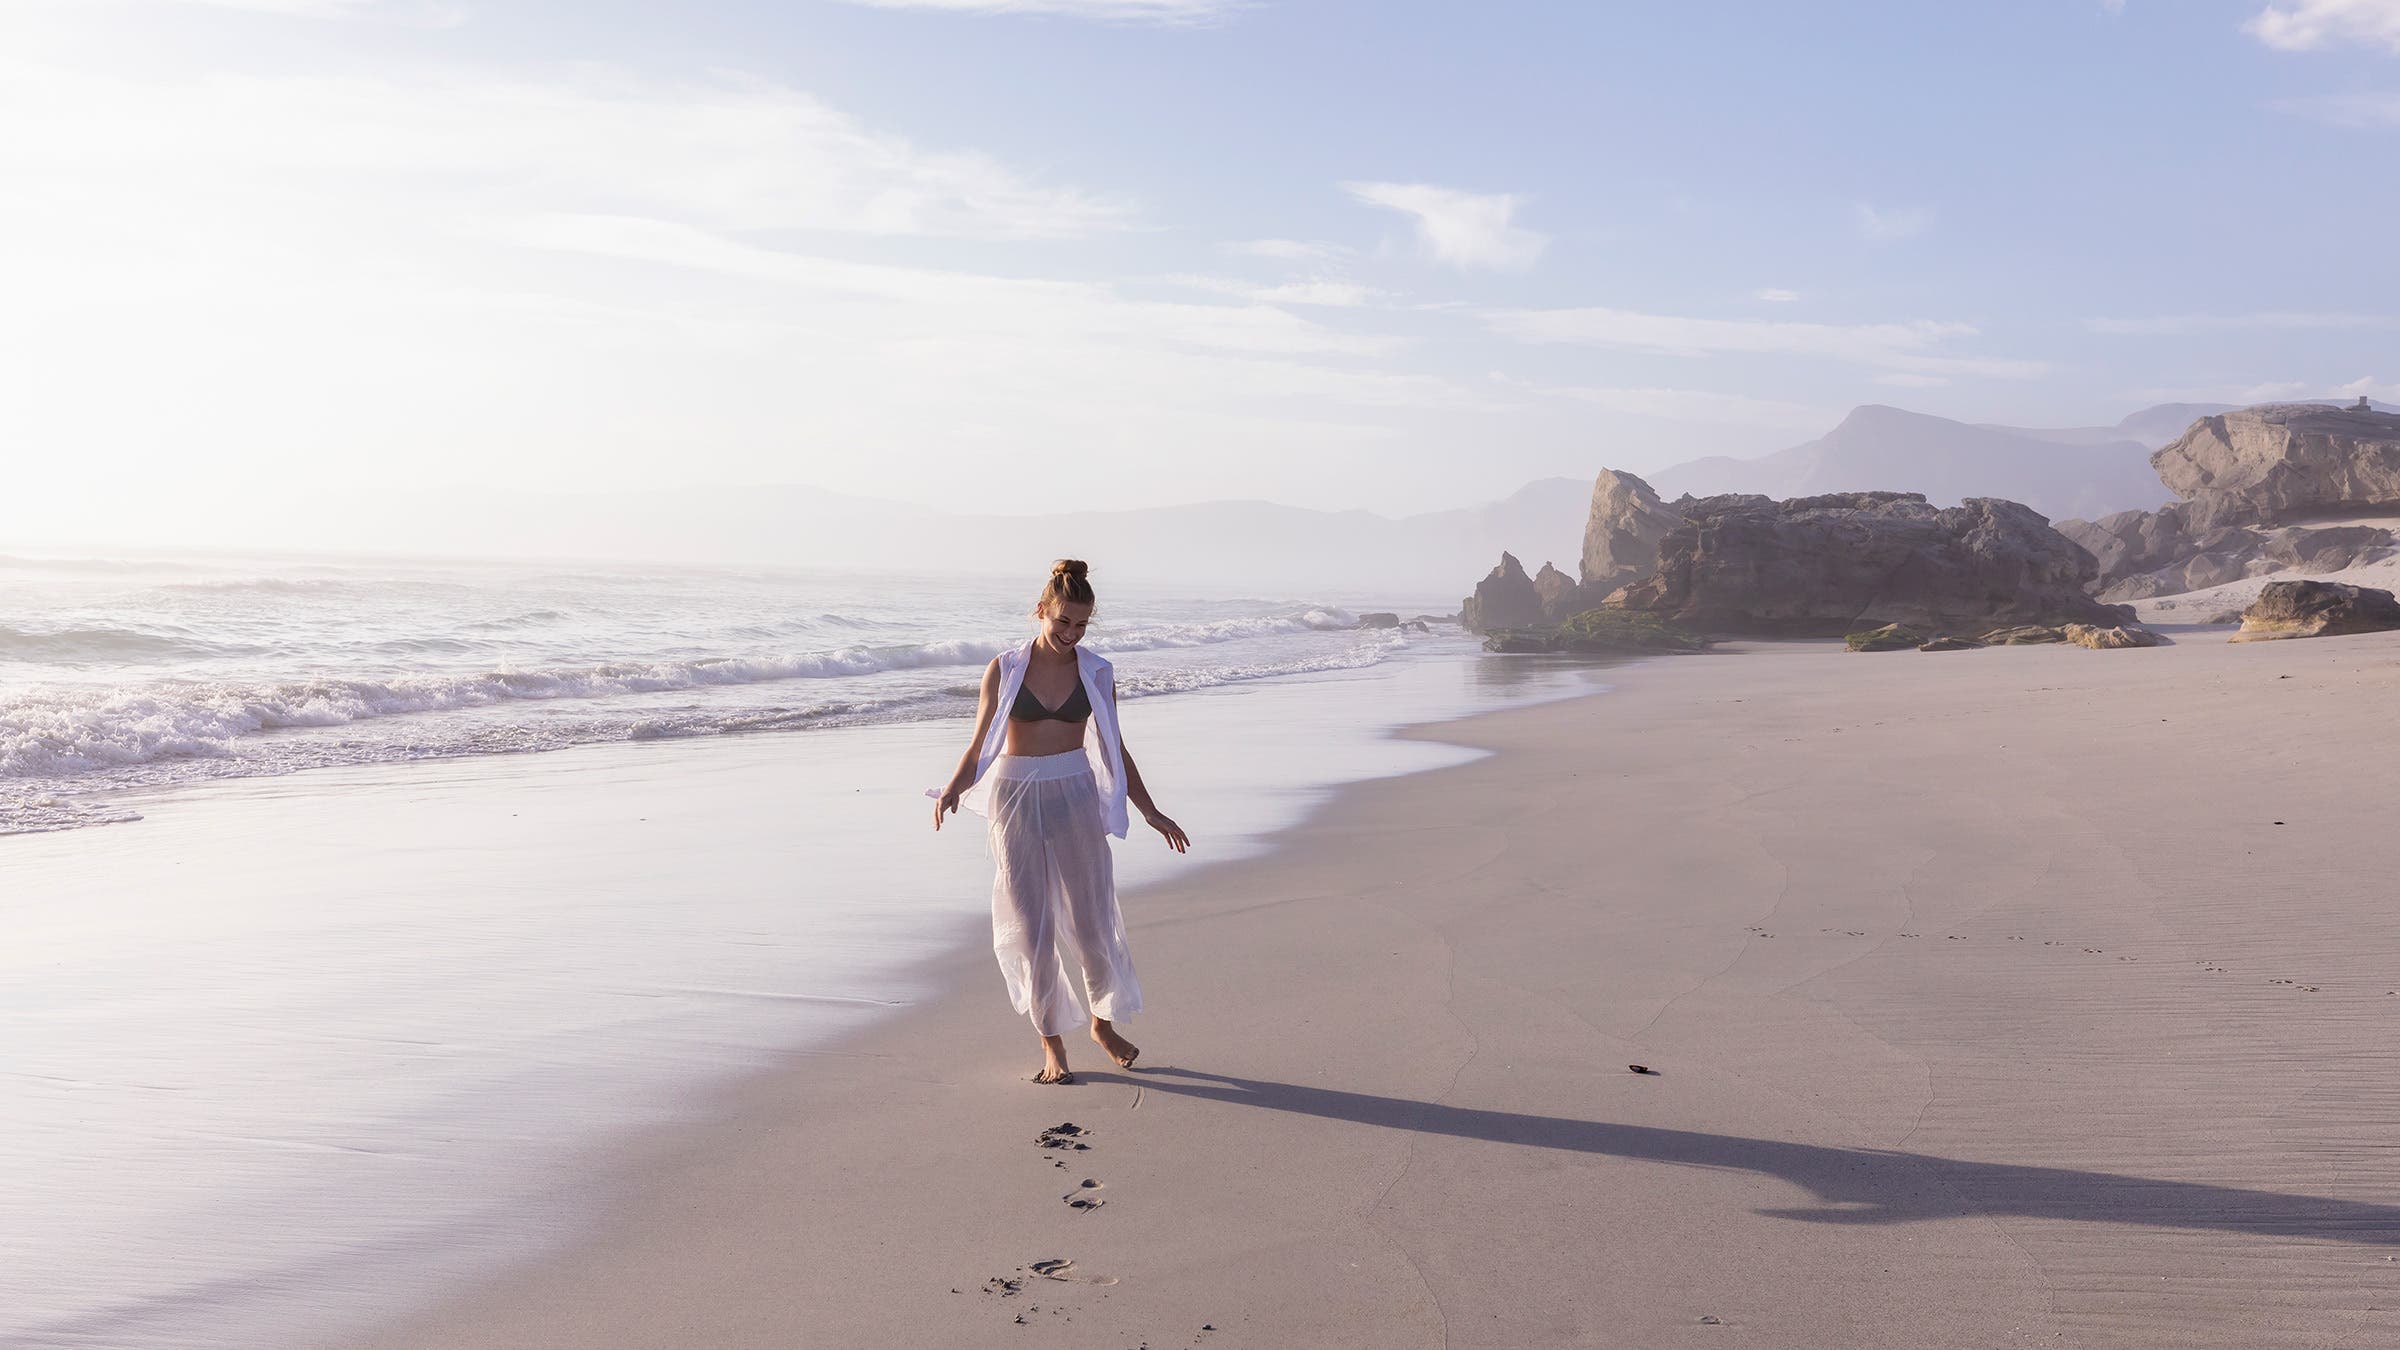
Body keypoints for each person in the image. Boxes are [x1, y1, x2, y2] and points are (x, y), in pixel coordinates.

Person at [931, 559, 1190, 1084]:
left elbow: (1114, 748)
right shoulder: (1004, 668)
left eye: (1080, 625)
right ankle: (1053, 1045)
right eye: (1062, 622)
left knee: (1093, 921)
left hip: (1075, 793)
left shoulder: (1096, 671)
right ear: (1041, 612)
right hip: (1015, 797)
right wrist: (955, 787)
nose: (1070, 634)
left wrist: (1149, 809)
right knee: (1032, 929)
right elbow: (980, 741)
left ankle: (1102, 1023)